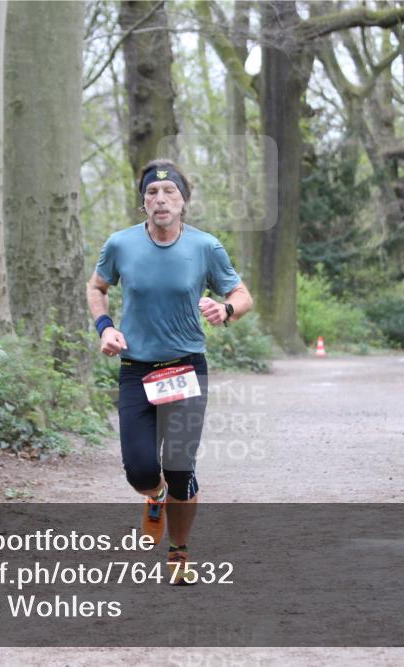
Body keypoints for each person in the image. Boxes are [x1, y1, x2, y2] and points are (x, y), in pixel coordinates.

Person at [85, 158, 253, 584]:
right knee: (140, 470)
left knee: (180, 468)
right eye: (152, 194)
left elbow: (241, 293)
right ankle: (153, 496)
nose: (161, 200)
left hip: (185, 369)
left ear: (183, 202)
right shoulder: (120, 245)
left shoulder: (205, 247)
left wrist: (226, 308)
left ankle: (179, 554)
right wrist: (106, 327)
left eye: (170, 193)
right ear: (143, 203)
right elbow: (97, 287)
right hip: (137, 370)